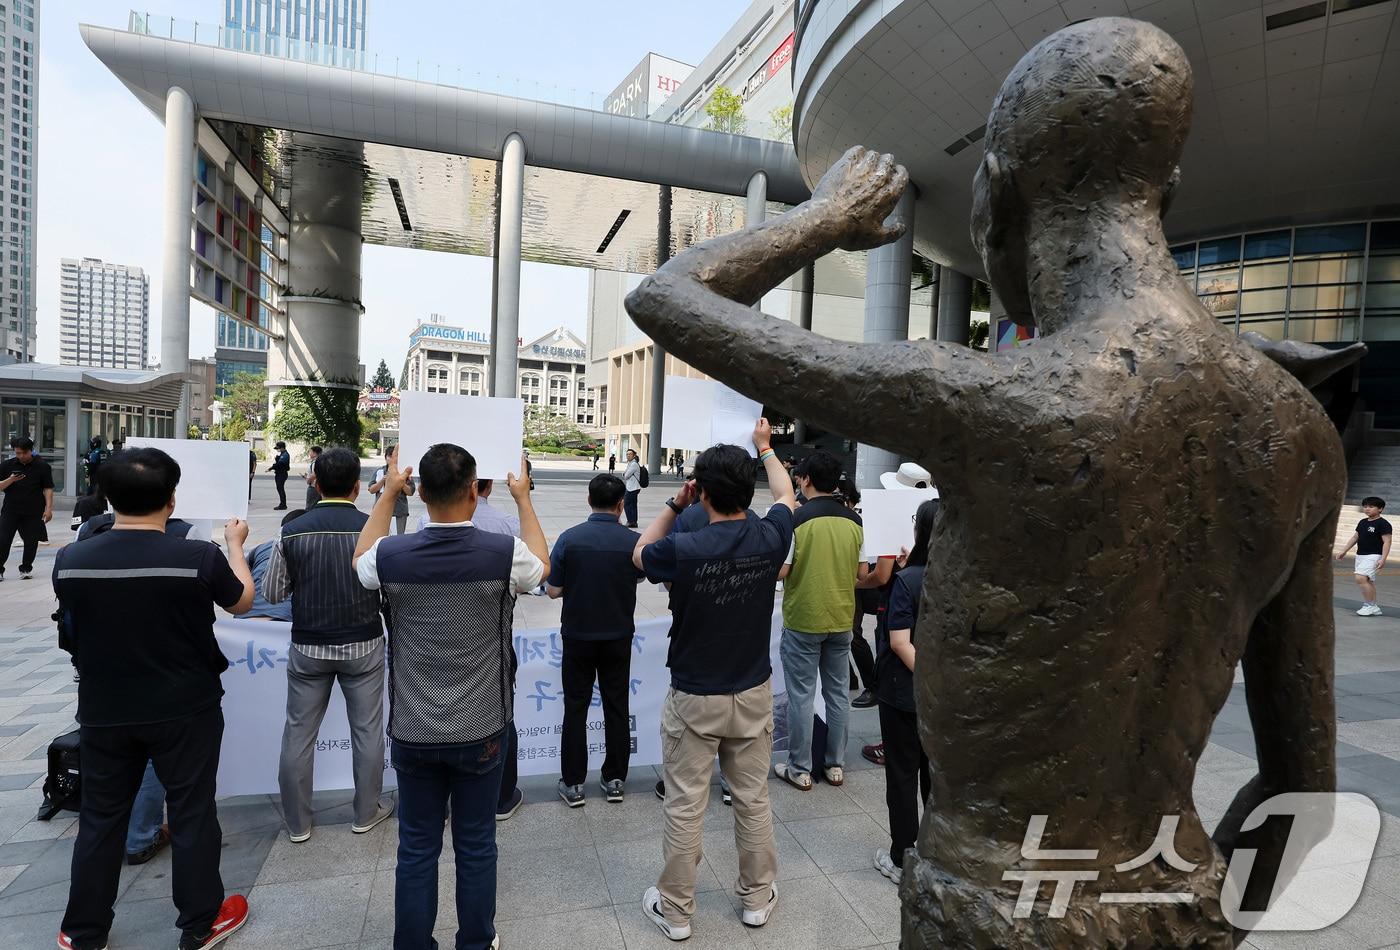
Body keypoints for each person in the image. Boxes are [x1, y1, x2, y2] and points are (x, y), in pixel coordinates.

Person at [53, 447, 255, 950]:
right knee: (191, 810)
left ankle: (83, 931)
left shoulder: (71, 560)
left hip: (104, 709)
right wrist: (235, 546)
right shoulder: (197, 557)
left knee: (101, 817)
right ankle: (201, 922)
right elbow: (241, 601)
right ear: (171, 499)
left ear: (107, 498)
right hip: (185, 706)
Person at [353, 445, 547, 950]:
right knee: (476, 843)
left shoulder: (391, 556)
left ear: (419, 493)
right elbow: (542, 567)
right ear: (473, 492)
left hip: (413, 726)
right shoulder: (502, 553)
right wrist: (523, 499)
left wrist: (387, 492)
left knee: (416, 847)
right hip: (482, 726)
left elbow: (359, 561)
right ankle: (476, 942)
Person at [633, 420, 794, 941]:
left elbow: (639, 553)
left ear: (701, 492)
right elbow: (786, 494)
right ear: (748, 489)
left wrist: (674, 505)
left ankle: (677, 911)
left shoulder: (684, 547)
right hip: (752, 691)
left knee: (685, 805)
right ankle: (756, 898)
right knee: (752, 798)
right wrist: (765, 448)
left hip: (695, 694)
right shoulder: (771, 536)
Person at [264, 448, 391, 843]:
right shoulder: (372, 530)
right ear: (357, 486)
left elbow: (273, 592)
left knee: (299, 734)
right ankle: (366, 812)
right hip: (363, 643)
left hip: (309, 645)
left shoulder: (292, 531)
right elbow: (387, 590)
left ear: (315, 483)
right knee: (367, 732)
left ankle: (298, 823)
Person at [774, 450, 871, 791]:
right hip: (842, 618)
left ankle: (800, 768)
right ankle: (835, 765)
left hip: (804, 618)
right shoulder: (854, 520)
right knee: (837, 694)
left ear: (806, 480)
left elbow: (782, 570)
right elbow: (863, 572)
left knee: (801, 696)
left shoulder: (797, 520)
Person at [547, 473, 645, 807]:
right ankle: (615, 779)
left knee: (575, 706)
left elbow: (553, 590)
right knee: (617, 704)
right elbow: (642, 574)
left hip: (578, 636)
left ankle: (574, 783)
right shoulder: (632, 541)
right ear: (621, 505)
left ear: (589, 500)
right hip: (618, 636)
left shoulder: (569, 539)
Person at [873, 499, 936, 886]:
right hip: (944, 700)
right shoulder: (959, 578)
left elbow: (899, 642)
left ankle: (901, 857)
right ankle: (934, 852)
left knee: (902, 774)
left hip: (904, 693)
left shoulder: (907, 581)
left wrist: (927, 677)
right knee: (934, 777)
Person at [0, 436, 53, 581]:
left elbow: (48, 488)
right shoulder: (7, 465)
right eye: (18, 453)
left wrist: (48, 509)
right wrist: (11, 479)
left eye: (24, 453)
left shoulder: (42, 466)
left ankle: (26, 568)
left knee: (31, 541)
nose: (21, 456)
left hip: (33, 511)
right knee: (3, 539)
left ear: (31, 451)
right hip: (11, 510)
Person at [1338, 495, 1392, 616]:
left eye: (1371, 506)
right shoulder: (1362, 522)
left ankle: (1369, 605)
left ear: (1380, 509)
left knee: (1360, 578)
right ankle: (1373, 606)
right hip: (1361, 555)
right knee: (1368, 581)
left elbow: (1387, 542)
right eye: (1365, 506)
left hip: (1374, 555)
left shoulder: (1383, 524)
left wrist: (1383, 558)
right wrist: (1344, 550)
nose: (1367, 509)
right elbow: (1355, 537)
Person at [244, 510, 302, 622]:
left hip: (246, 616)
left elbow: (242, 575)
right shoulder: (308, 548)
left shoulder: (260, 548)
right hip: (283, 619)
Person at [370, 445, 417, 535]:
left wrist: (400, 481)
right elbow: (371, 489)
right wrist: (383, 480)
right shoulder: (379, 471)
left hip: (400, 511)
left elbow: (410, 492)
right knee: (380, 537)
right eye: (390, 456)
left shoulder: (404, 472)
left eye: (395, 456)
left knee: (399, 537)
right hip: (381, 511)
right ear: (385, 458)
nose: (392, 459)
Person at [268, 441, 291, 510]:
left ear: (282, 448)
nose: (277, 450)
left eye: (278, 448)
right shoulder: (282, 454)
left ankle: (283, 505)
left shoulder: (285, 455)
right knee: (280, 489)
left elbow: (279, 464)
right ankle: (283, 504)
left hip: (282, 474)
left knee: (280, 489)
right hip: (279, 473)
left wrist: (271, 468)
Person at [622, 448, 642, 528]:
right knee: (633, 505)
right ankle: (634, 522)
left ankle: (630, 521)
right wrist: (625, 474)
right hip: (633, 487)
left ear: (634, 456)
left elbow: (626, 476)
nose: (628, 455)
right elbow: (625, 474)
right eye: (627, 454)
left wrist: (624, 474)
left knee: (626, 504)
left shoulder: (633, 464)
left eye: (630, 454)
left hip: (632, 488)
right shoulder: (631, 463)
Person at [304, 446, 323, 510]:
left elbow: (315, 474)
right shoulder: (321, 461)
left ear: (315, 453)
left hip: (314, 487)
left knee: (310, 507)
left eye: (310, 451)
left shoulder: (315, 463)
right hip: (319, 487)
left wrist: (308, 480)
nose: (309, 453)